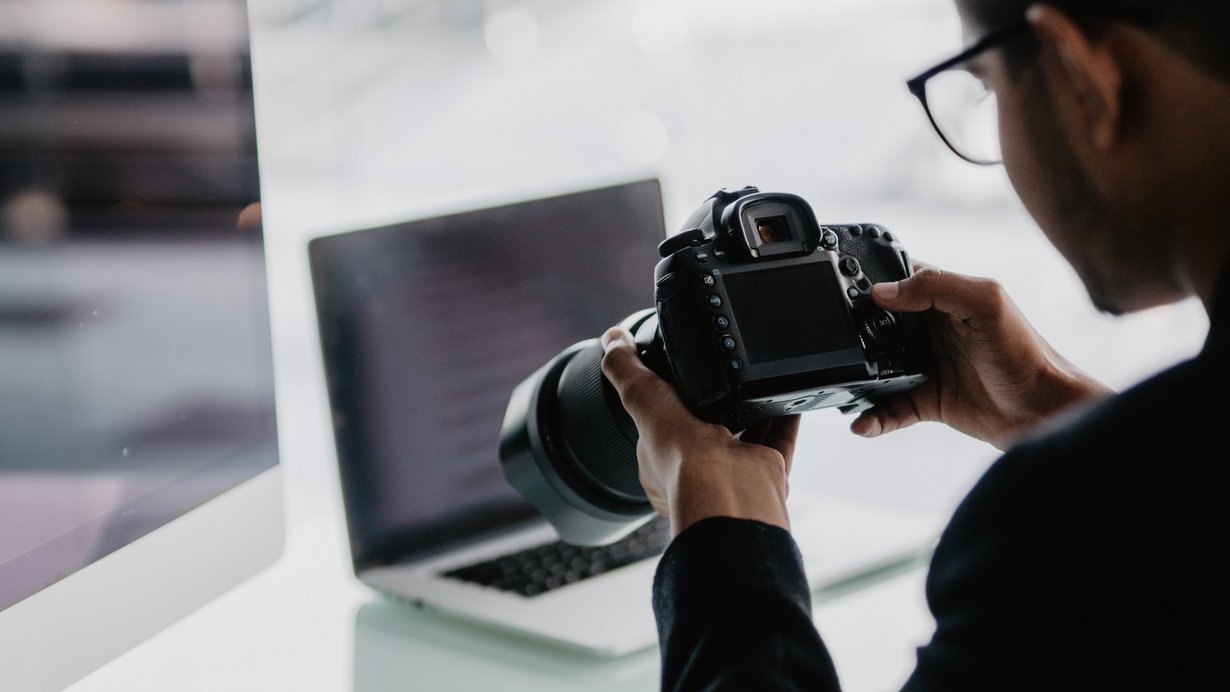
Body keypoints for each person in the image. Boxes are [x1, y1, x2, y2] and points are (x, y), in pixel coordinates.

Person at [599, 1, 1230, 689]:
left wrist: (727, 531)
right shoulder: (1151, 494)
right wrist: (1055, 414)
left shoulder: (1061, 522)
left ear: (1085, 76)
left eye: (985, 87)